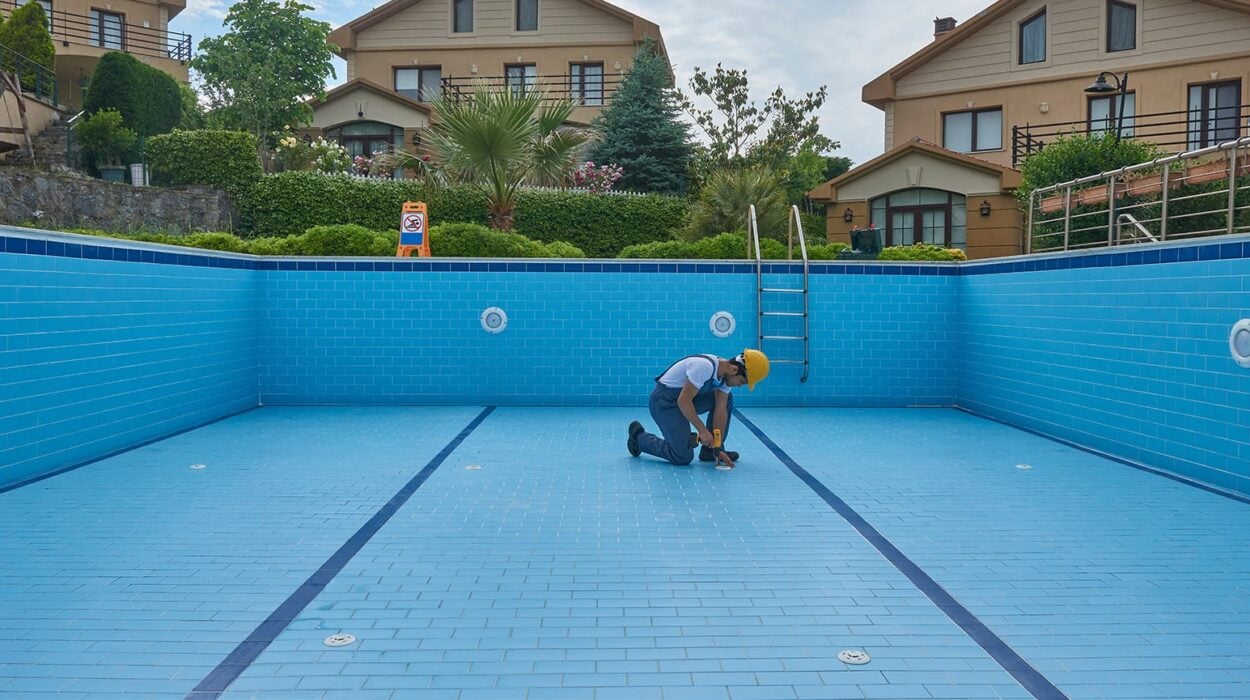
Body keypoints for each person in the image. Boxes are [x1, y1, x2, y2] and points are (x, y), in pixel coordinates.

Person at [627, 349, 770, 467]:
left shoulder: (725, 375)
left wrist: (717, 445)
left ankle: (710, 451)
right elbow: (683, 401)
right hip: (665, 403)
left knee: (727, 399)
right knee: (682, 457)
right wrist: (702, 431)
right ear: (734, 369)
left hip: (686, 400)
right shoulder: (704, 367)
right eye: (741, 382)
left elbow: (721, 409)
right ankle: (638, 438)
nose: (739, 386)